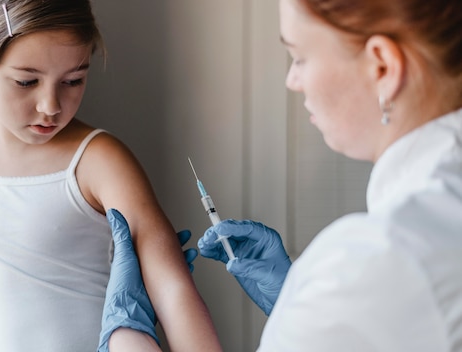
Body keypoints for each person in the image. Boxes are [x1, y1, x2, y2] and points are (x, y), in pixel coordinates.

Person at [100, 0, 462, 350]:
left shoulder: (370, 265)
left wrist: (126, 335)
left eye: (300, 57)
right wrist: (297, 300)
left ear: (381, 67)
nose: (292, 79)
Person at [0, 1, 222, 351]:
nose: (51, 106)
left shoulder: (99, 161)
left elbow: (172, 290)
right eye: (27, 81)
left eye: (73, 80)